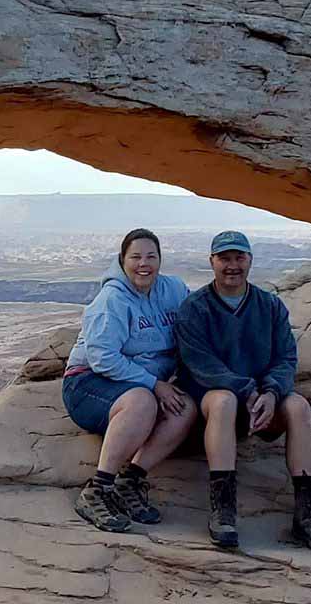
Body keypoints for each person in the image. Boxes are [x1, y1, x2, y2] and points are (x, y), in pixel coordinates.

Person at [175, 230, 311, 555]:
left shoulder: (269, 306)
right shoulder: (195, 308)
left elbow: (286, 357)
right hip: (216, 401)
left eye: (239, 258)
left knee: (299, 407)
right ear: (212, 262)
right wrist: (248, 390)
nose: (232, 265)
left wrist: (271, 392)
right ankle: (223, 510)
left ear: (250, 260)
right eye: (225, 258)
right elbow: (201, 364)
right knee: (223, 400)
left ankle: (308, 514)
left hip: (262, 401)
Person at [63, 228, 197, 533]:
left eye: (151, 256)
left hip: (138, 384)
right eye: (135, 257)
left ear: (161, 260)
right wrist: (154, 383)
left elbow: (197, 320)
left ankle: (130, 481)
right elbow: (101, 358)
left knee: (185, 407)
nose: (143, 264)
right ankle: (97, 490)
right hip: (87, 384)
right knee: (142, 401)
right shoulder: (112, 300)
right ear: (122, 260)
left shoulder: (173, 290)